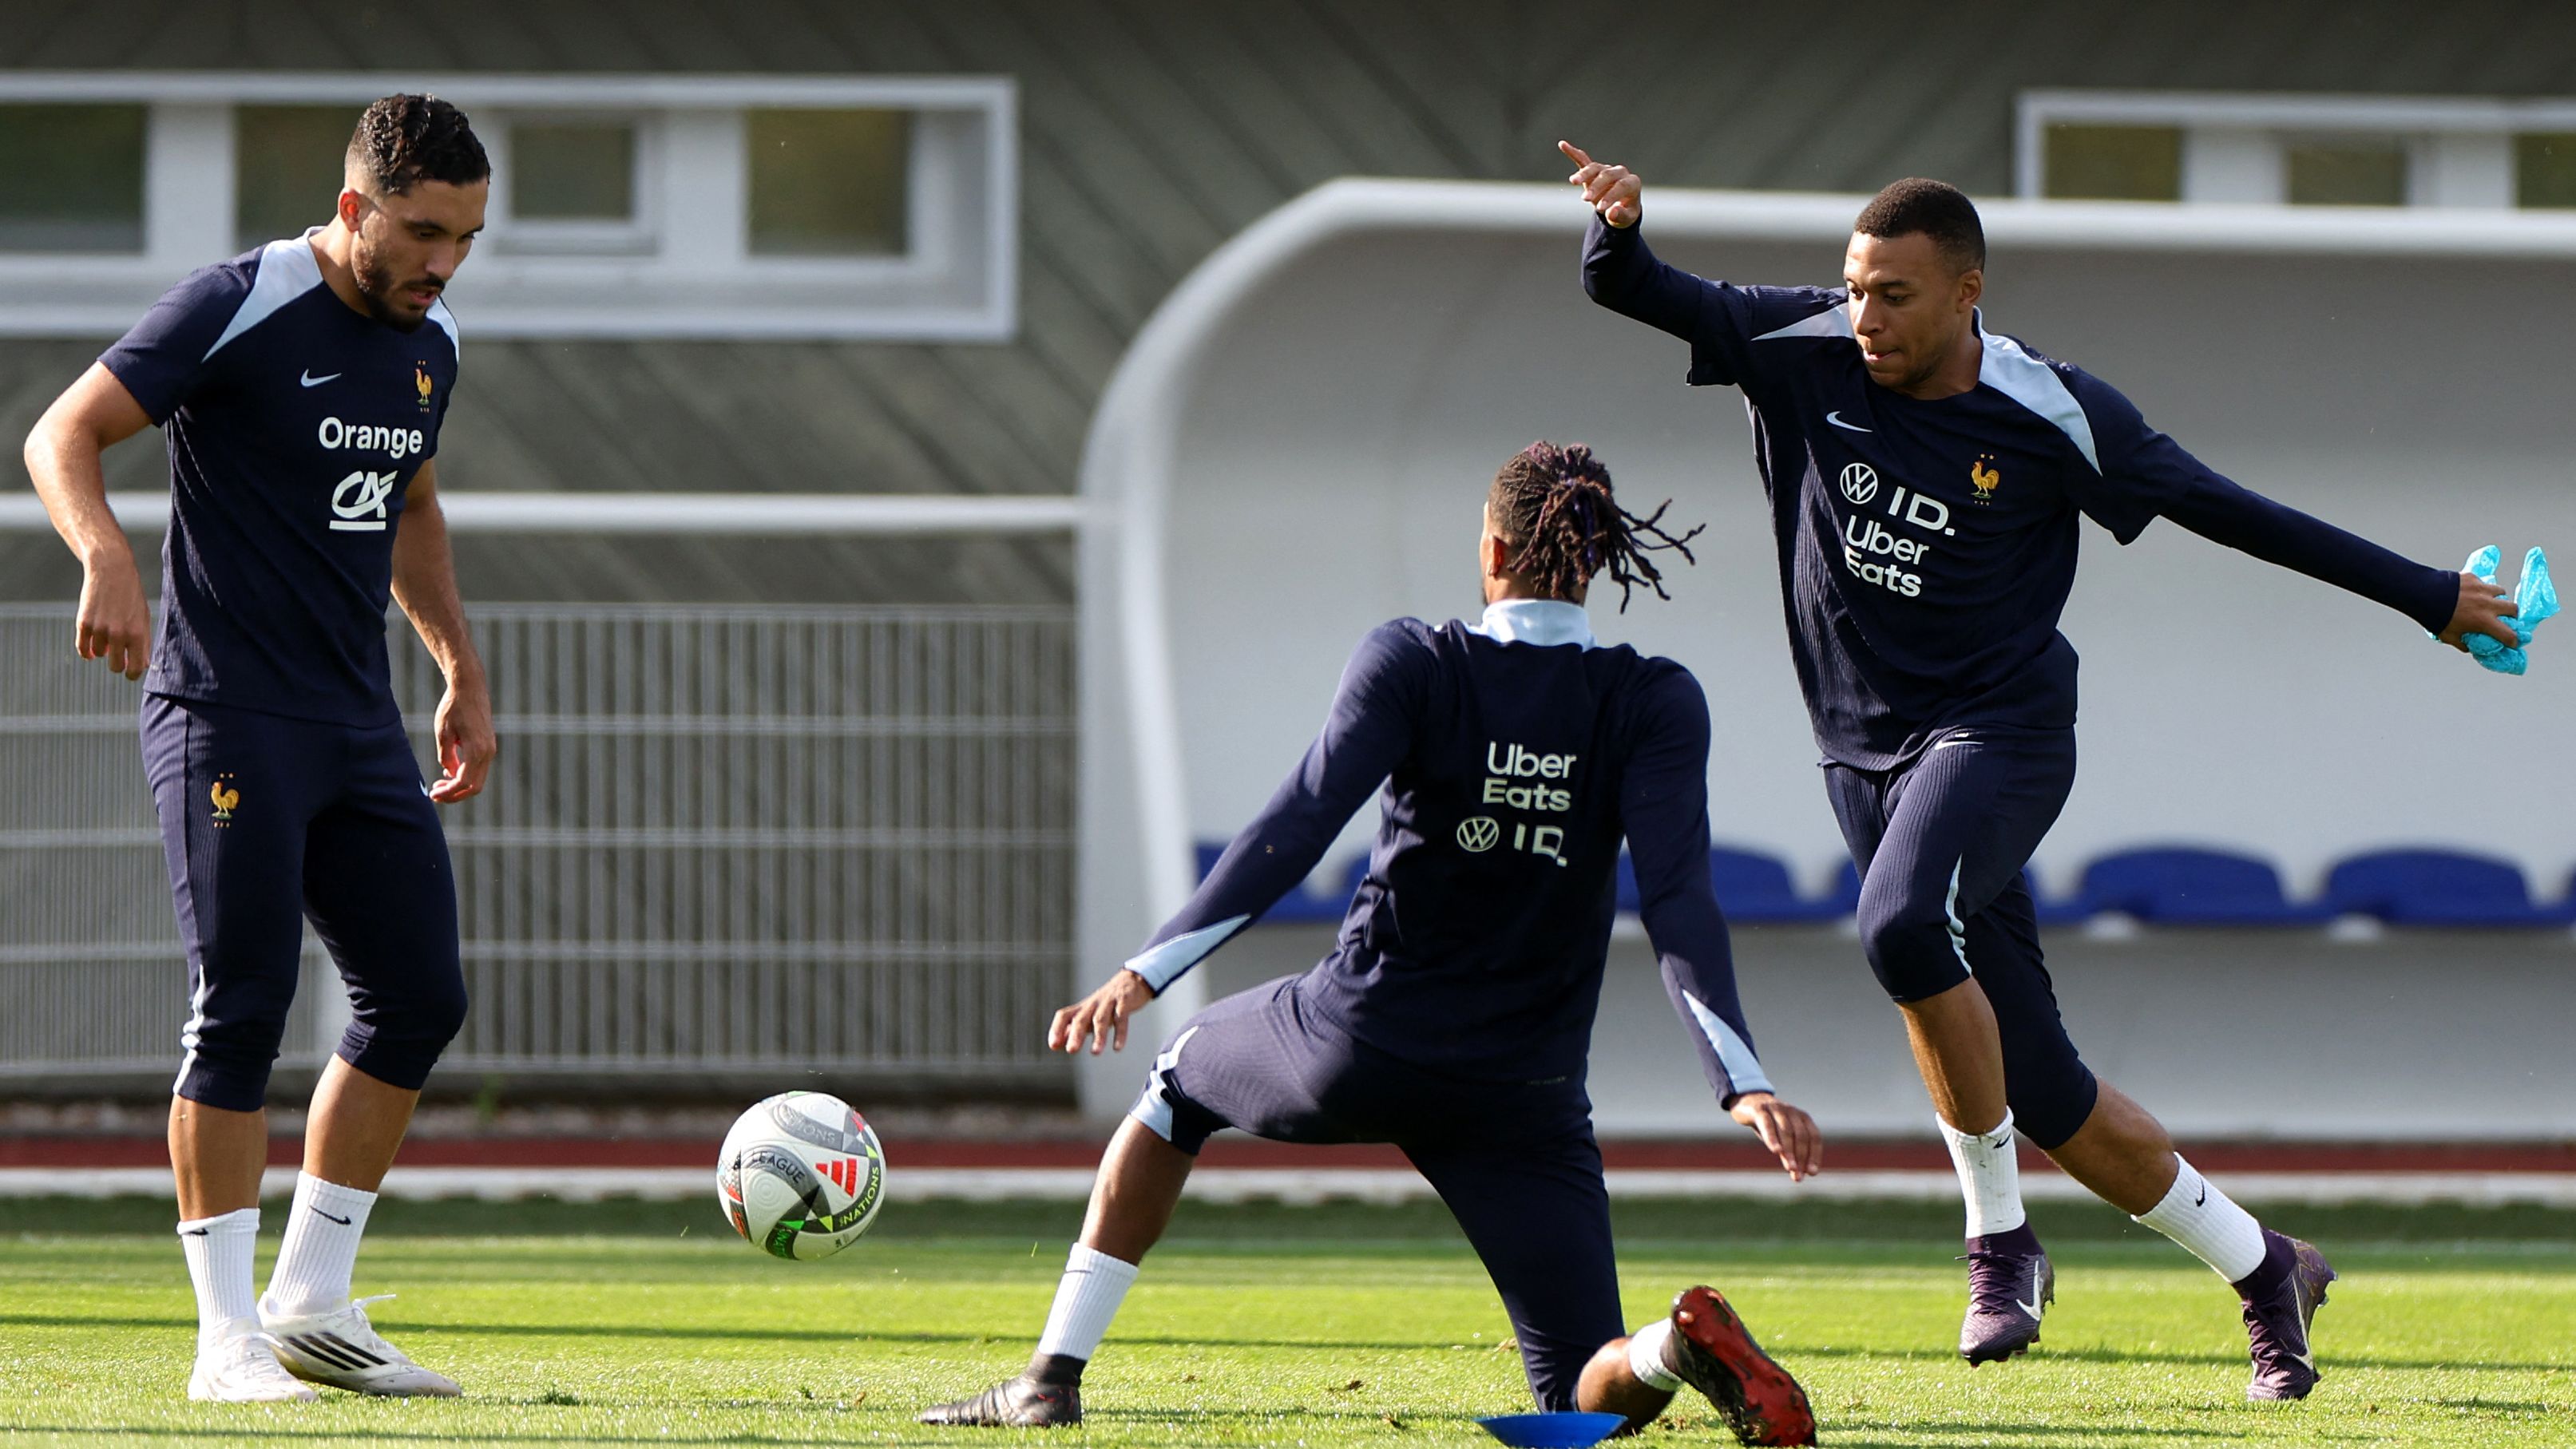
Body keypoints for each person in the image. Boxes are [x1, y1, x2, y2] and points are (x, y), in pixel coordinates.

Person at [1562, 141, 2525, 1402]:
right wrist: (1617, 230)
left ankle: (1997, 1240)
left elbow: (2225, 506)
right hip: (1861, 760)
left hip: (1997, 737)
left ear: (1966, 292)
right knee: (2047, 1090)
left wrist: (2425, 595)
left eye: (1892, 294)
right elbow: (1634, 290)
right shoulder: (1799, 344)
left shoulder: (2055, 410)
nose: (1862, 315)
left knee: (1900, 925)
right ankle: (2266, 1265)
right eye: (1852, 287)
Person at [920, 443, 1825, 1445]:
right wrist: (1739, 1082)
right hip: (1519, 1088)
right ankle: (1666, 1350)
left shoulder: (1416, 659)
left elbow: (1300, 822)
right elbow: (1678, 899)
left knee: (1177, 1085)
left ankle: (1048, 1379)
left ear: (1492, 552)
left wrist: (1146, 971)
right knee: (1581, 1393)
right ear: (1600, 560)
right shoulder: (1652, 698)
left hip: (1356, 1045)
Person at [20, 94, 497, 1403]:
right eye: (423, 231)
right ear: (354, 208)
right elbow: (61, 432)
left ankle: (312, 1302)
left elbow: (412, 508)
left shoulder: (432, 338)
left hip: (356, 718)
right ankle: (224, 1339)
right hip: (226, 710)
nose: (445, 262)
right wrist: (107, 555)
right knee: (242, 1004)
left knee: (419, 996)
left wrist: (459, 673)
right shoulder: (239, 302)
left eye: (465, 236)